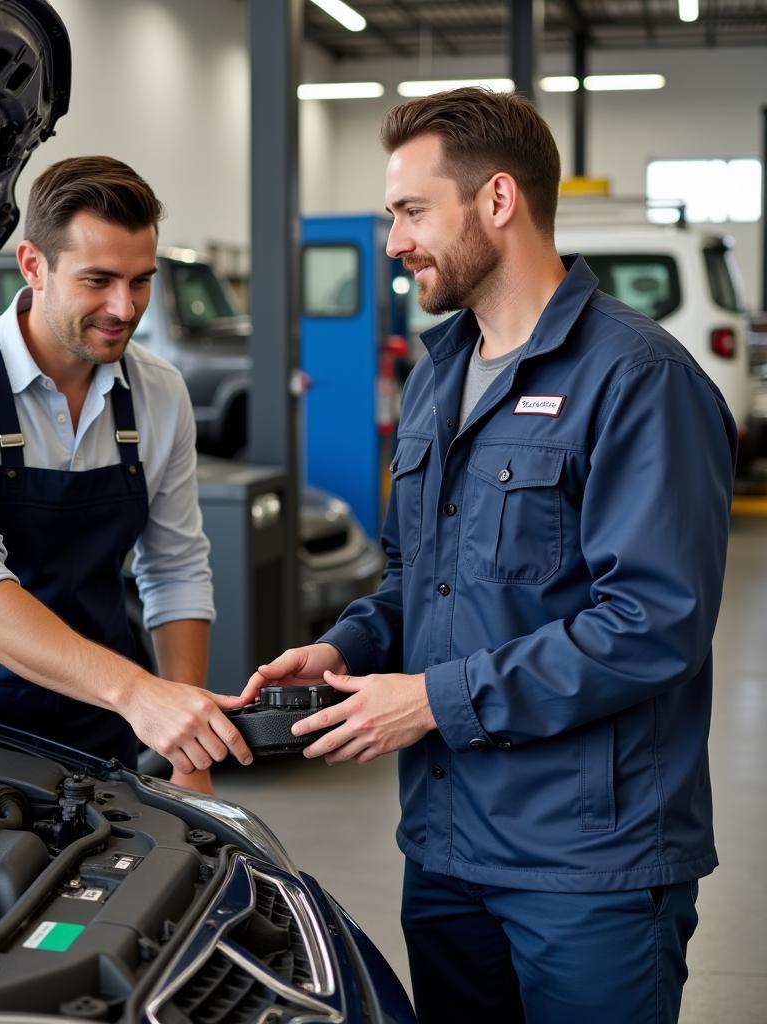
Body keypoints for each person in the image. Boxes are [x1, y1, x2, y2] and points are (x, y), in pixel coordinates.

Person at [231, 89, 736, 1021]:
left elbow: (652, 623)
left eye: (412, 211)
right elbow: (413, 577)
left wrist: (431, 700)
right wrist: (347, 646)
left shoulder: (638, 381)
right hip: (448, 850)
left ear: (498, 200)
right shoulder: (437, 375)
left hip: (591, 868)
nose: (394, 242)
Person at [0, 155, 251, 791]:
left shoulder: (159, 392)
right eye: (99, 280)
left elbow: (175, 568)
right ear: (34, 266)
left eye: (141, 281)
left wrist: (188, 749)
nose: (124, 307)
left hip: (98, 717)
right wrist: (141, 693)